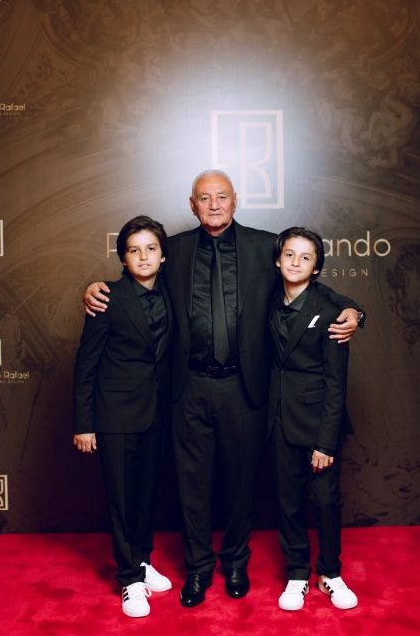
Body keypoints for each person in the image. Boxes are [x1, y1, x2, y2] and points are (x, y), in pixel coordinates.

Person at [83, 170, 363, 608]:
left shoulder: (264, 246)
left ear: (235, 200)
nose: (213, 205)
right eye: (204, 198)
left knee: (240, 482)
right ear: (192, 205)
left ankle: (235, 562)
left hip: (243, 385)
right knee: (191, 485)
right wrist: (92, 288)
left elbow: (307, 280)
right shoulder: (173, 249)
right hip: (188, 386)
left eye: (221, 197)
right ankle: (198, 567)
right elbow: (134, 282)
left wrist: (353, 310)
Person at [73, 216, 173, 618]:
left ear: (163, 256)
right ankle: (129, 579)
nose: (143, 256)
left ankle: (143, 560)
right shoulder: (106, 298)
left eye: (151, 248)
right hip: (114, 415)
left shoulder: (174, 293)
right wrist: (84, 423)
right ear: (123, 258)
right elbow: (86, 363)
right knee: (122, 499)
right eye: (134, 250)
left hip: (158, 413)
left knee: (146, 496)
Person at [268, 227, 358, 611]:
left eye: (305, 258)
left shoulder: (332, 312)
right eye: (289, 254)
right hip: (277, 420)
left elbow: (337, 384)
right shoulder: (267, 301)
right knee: (287, 502)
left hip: (318, 423)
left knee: (325, 501)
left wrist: (326, 441)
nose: (296, 262)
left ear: (316, 267)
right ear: (278, 260)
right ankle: (297, 573)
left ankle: (330, 573)